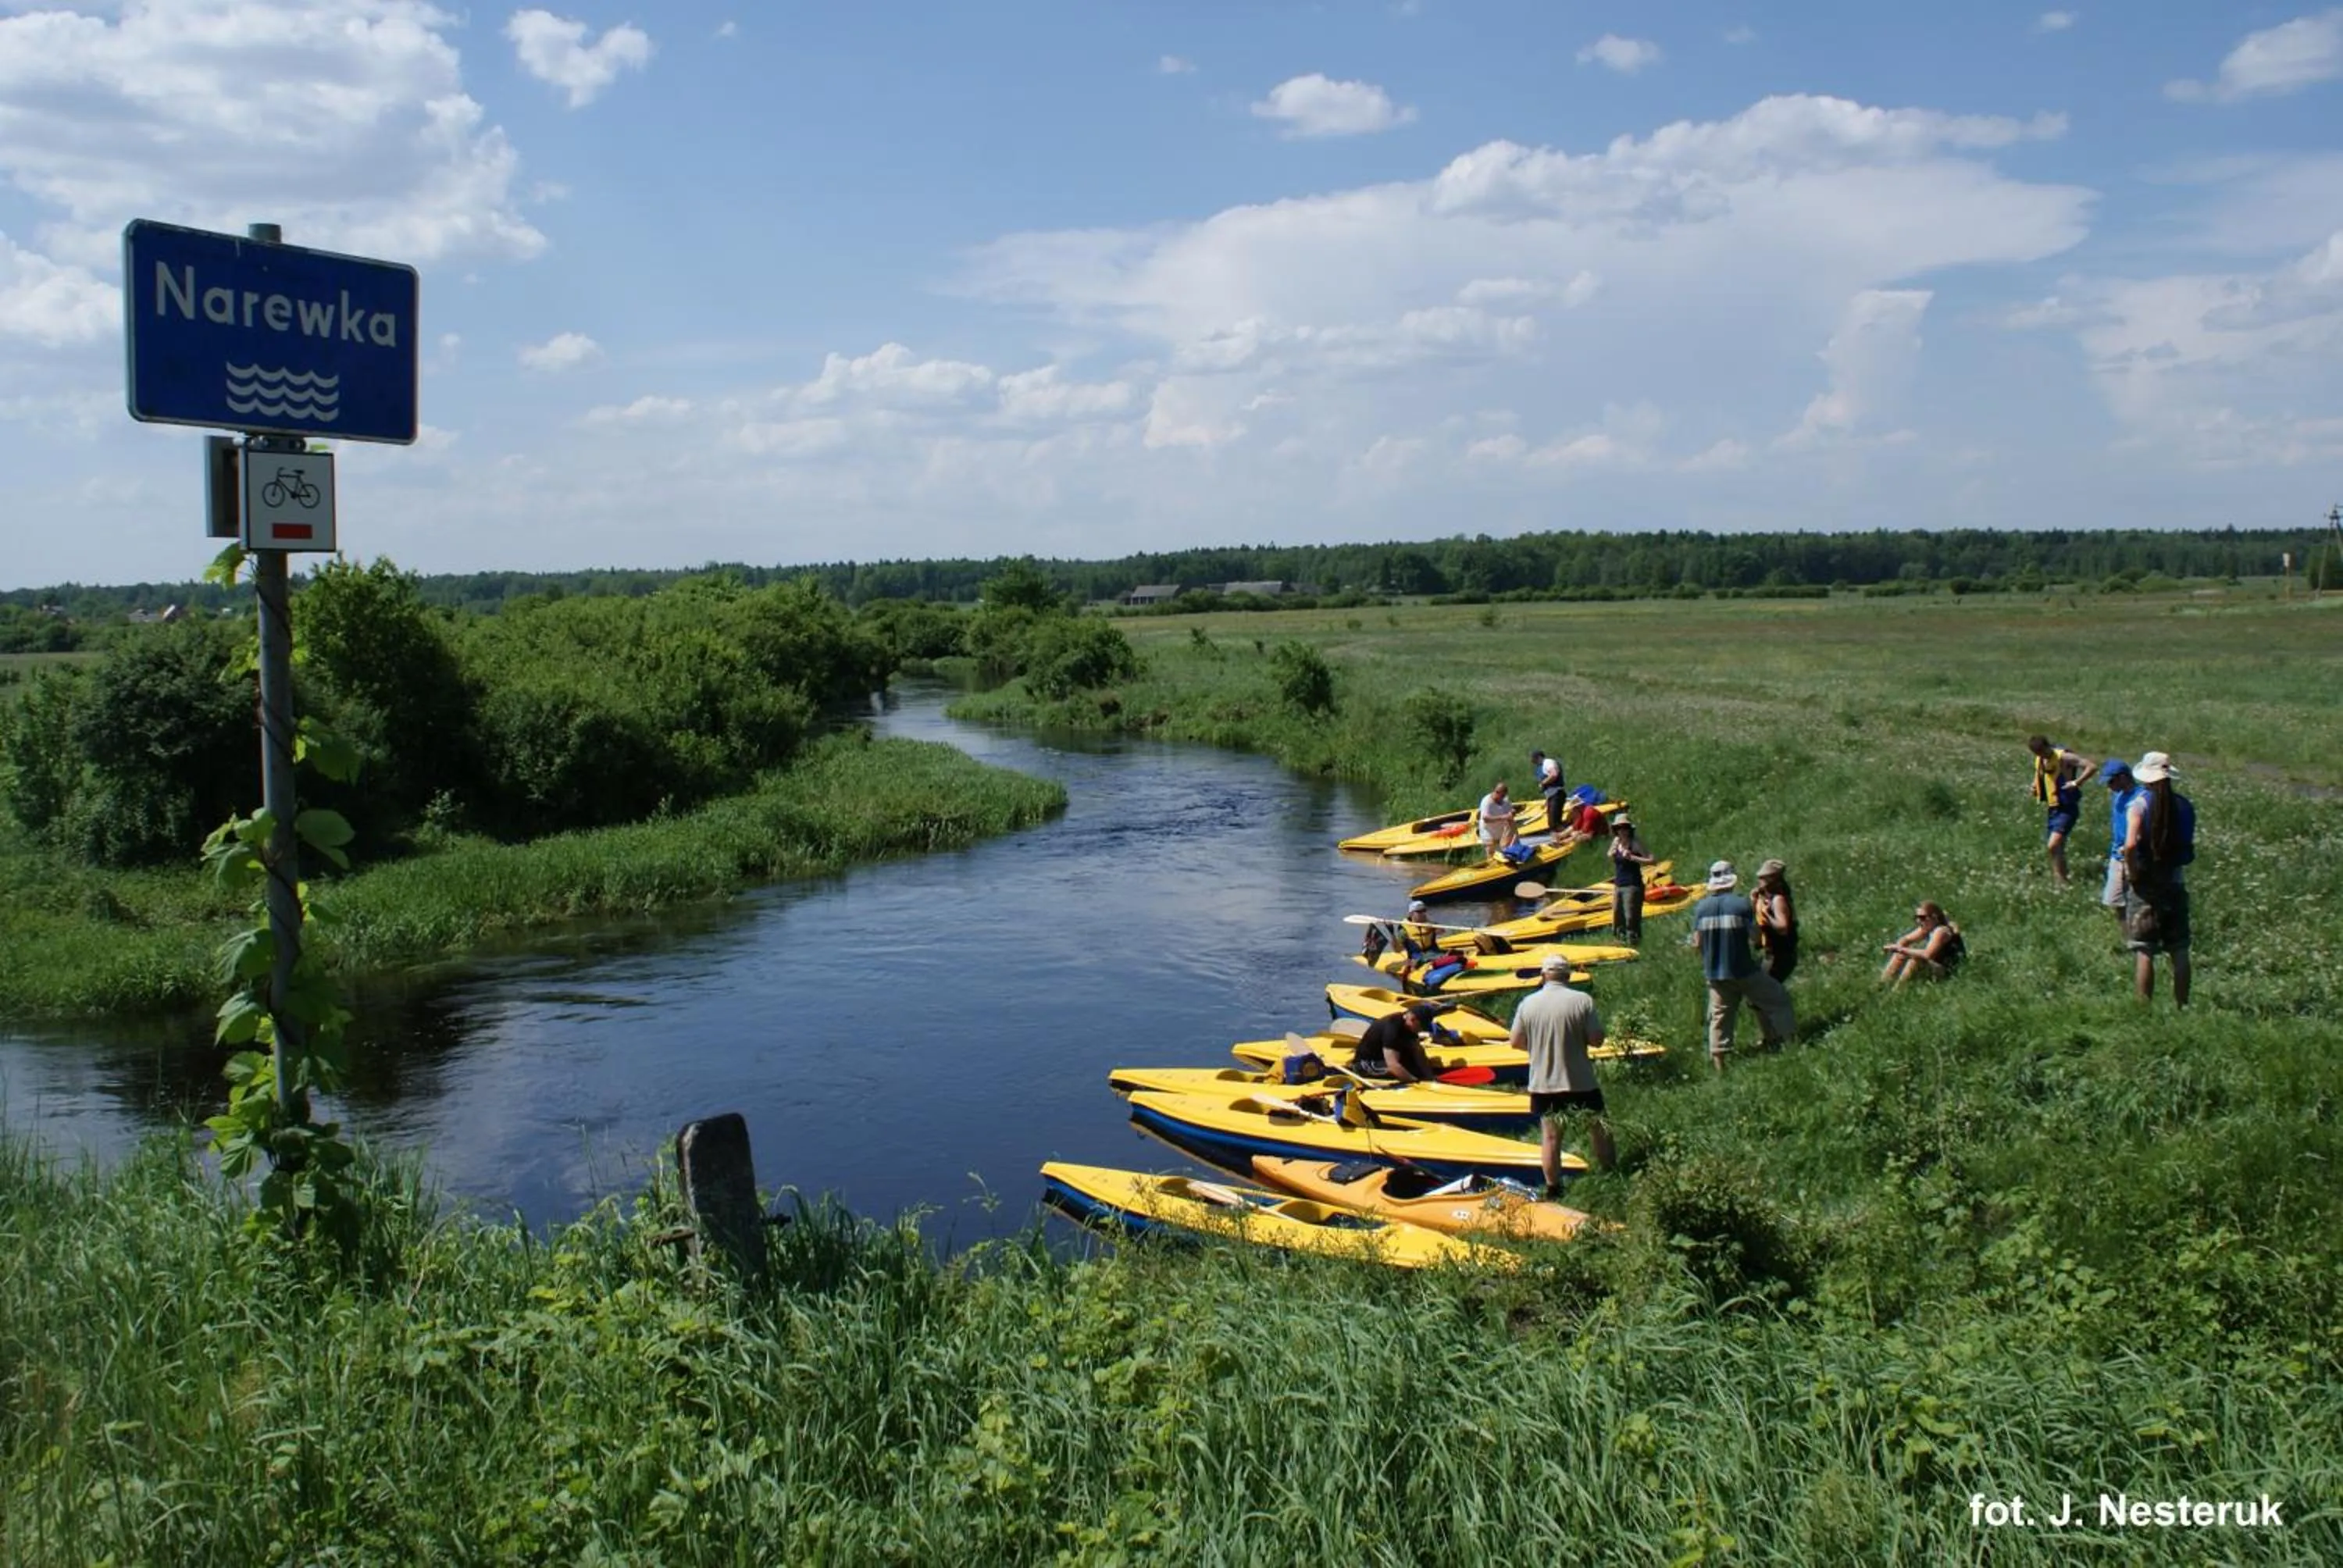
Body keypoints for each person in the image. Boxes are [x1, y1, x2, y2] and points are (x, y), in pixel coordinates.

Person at [1508, 952, 1614, 1191]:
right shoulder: (1582, 1001)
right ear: (1567, 975)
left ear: (1544, 975)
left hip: (1544, 1083)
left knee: (1551, 1137)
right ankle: (1610, 1173)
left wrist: (1537, 1047)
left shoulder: (1528, 1003)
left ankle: (1553, 1187)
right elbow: (1596, 1039)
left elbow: (1515, 1041)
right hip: (1580, 1079)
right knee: (1600, 1127)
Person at [1690, 860, 1794, 1071]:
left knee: (1719, 1018)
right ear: (1731, 881)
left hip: (1715, 974)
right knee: (1778, 999)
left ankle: (1720, 1065)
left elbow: (1697, 943)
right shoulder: (1740, 905)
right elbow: (1756, 937)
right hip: (1743, 969)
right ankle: (1792, 1043)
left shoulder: (1701, 908)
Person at [2120, 751, 2195, 1007]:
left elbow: (2130, 845)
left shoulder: (2139, 804)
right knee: (2180, 949)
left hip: (2146, 885)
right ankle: (2182, 1007)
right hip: (2174, 882)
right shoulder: (2184, 805)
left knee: (2144, 949)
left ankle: (2144, 1009)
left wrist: (2132, 872)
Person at [2027, 735, 2095, 886]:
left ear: (2047, 746)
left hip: (2067, 807)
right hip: (2053, 807)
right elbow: (2040, 775)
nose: (2041, 756)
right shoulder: (2041, 759)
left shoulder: (2064, 757)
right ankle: (2061, 880)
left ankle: (2062, 880)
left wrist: (2077, 782)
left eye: (2042, 752)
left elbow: (2091, 766)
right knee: (2056, 848)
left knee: (2053, 845)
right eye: (2037, 754)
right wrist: (2034, 786)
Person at [1351, 1002, 1442, 1083]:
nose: (1420, 1030)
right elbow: (1393, 1066)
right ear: (1413, 1019)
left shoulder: (1410, 1026)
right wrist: (1416, 1082)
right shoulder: (1393, 1029)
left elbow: (1418, 1051)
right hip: (1367, 1064)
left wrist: (1429, 1076)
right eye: (1420, 1027)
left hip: (1387, 1058)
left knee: (1417, 1068)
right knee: (1409, 1072)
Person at [1880, 901, 1964, 985]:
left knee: (1917, 959)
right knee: (1901, 954)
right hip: (1936, 966)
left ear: (1934, 917)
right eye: (1917, 917)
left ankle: (1898, 990)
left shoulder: (1941, 931)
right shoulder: (1928, 927)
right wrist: (1899, 947)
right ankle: (1883, 984)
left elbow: (1928, 954)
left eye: (1922, 918)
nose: (1919, 921)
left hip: (1948, 970)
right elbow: (1906, 940)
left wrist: (1901, 949)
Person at [2099, 757, 2139, 917]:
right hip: (2117, 854)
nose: (2109, 787)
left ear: (2123, 777)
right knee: (2114, 901)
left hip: (2133, 853)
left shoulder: (2141, 797)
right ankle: (2127, 938)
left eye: (2111, 782)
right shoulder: (2118, 796)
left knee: (2137, 901)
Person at [1607, 814, 1655, 942]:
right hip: (1619, 884)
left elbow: (1651, 860)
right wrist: (1612, 854)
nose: (1622, 831)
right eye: (1619, 828)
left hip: (1632, 885)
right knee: (1617, 915)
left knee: (1630, 916)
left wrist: (1633, 857)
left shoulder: (1635, 843)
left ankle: (1633, 940)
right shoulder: (1616, 842)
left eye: (1624, 828)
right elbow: (1610, 855)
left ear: (1629, 829)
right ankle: (1619, 940)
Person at [1753, 859, 1799, 982]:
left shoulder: (1778, 900)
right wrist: (1754, 902)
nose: (1759, 881)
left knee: (1762, 990)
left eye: (1763, 878)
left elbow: (1783, 927)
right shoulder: (1763, 898)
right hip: (1770, 952)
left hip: (1780, 955)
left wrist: (1768, 916)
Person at [1530, 749, 1567, 835]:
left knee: (1555, 823)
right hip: (1551, 796)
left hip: (1557, 794)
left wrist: (1543, 783)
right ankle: (1559, 837)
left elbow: (1554, 774)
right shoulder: (1540, 767)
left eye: (1533, 759)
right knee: (1552, 823)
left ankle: (1564, 836)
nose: (1532, 761)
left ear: (1538, 757)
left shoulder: (1548, 763)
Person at [1475, 779, 1518, 852]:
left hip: (1501, 833)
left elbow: (1510, 810)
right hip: (1489, 834)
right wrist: (1503, 817)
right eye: (1502, 796)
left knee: (1504, 852)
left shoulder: (1505, 801)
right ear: (1497, 792)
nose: (1503, 798)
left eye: (1504, 796)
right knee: (1492, 854)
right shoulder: (1487, 802)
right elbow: (1486, 818)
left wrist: (1512, 812)